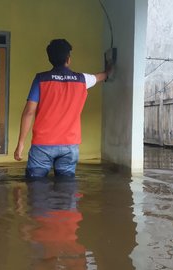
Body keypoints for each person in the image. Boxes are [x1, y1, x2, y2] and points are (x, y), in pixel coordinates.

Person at [14, 39, 110, 178]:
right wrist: (109, 70)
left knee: (36, 188)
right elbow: (100, 76)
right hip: (69, 145)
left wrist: (21, 144)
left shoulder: (41, 79)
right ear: (68, 59)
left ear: (50, 59)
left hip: (43, 145)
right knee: (66, 190)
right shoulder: (82, 79)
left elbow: (29, 112)